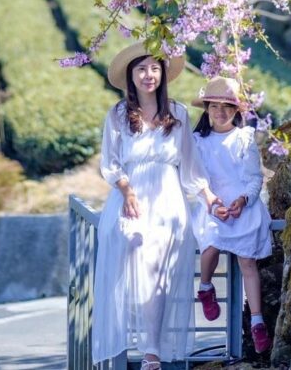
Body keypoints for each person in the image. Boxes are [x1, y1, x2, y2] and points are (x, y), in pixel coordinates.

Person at [92, 42, 218, 370]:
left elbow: (190, 167)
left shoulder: (177, 113)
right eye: (141, 69)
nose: (149, 75)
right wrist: (127, 192)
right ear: (131, 76)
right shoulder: (118, 115)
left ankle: (152, 351)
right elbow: (110, 163)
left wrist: (208, 197)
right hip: (131, 196)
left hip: (168, 200)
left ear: (162, 74)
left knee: (158, 275)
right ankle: (135, 334)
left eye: (155, 68)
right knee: (131, 246)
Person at [191, 76, 274, 354]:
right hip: (213, 203)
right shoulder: (198, 141)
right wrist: (214, 204)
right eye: (214, 106)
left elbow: (254, 179)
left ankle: (257, 320)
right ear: (206, 109)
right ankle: (205, 287)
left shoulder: (244, 138)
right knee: (212, 243)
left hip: (241, 203)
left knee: (247, 262)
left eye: (227, 106)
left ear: (236, 111)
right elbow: (198, 178)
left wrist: (242, 200)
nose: (221, 112)